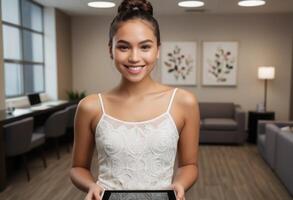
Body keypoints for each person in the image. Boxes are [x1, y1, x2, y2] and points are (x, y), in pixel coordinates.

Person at [70, 0, 200, 199]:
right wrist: (90, 185)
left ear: (158, 50)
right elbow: (78, 168)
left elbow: (189, 165)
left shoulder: (183, 102)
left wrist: (180, 184)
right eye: (123, 47)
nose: (134, 57)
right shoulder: (90, 107)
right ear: (110, 50)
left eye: (145, 47)